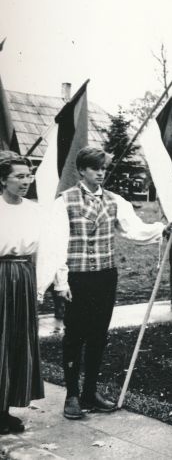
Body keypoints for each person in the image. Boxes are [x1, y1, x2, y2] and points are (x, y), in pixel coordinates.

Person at [50, 147, 172, 420]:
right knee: (75, 336)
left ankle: (90, 393)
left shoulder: (114, 201)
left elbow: (134, 229)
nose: (101, 173)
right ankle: (72, 395)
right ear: (82, 170)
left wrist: (162, 228)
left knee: (98, 335)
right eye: (95, 168)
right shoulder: (64, 201)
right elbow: (57, 245)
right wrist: (61, 282)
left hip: (104, 277)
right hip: (77, 277)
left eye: (104, 168)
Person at [0, 153, 66, 434]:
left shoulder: (35, 210)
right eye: (19, 176)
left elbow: (48, 251)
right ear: (3, 179)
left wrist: (53, 283)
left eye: (28, 176)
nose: (26, 181)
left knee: (17, 341)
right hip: (1, 276)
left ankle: (5, 408)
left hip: (24, 278)